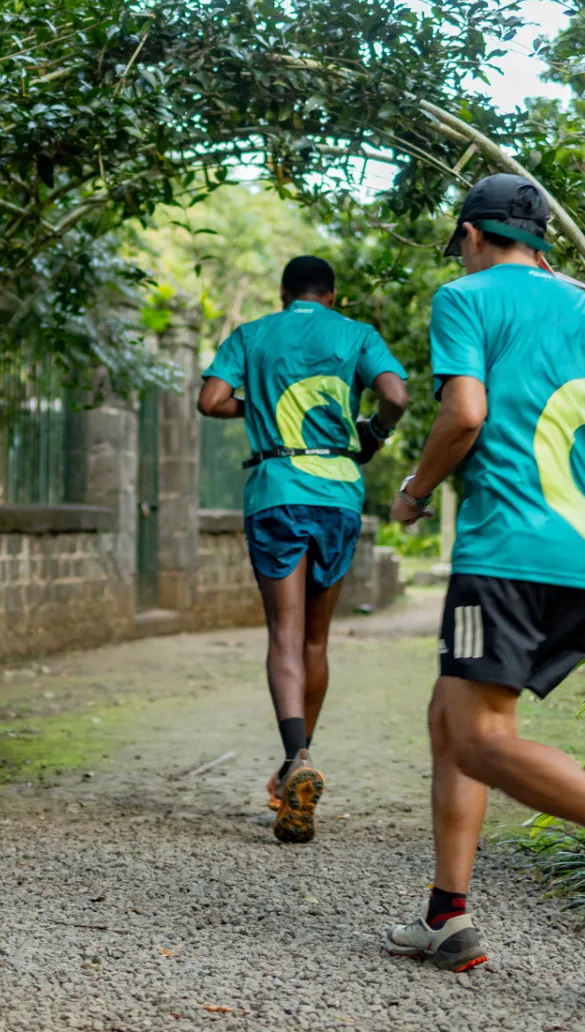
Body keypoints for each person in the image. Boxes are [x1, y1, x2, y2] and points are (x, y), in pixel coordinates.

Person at [382, 173, 585, 973]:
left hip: (502, 552)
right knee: (448, 718)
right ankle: (446, 918)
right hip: (575, 552)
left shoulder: (466, 299)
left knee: (481, 740)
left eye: (459, 244)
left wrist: (414, 491)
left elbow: (463, 414)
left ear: (469, 234)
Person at [199, 255, 409, 844]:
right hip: (339, 491)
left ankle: (297, 758)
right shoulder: (356, 335)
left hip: (277, 491)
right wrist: (373, 432)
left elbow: (211, 401)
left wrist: (258, 404)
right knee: (317, 638)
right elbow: (395, 395)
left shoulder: (252, 335)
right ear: (333, 296)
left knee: (284, 635)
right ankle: (300, 762)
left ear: (284, 293)